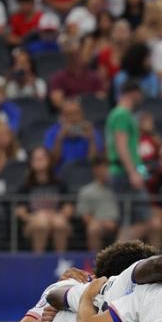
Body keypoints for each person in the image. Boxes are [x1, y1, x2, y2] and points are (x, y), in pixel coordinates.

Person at [107, 80, 149, 237]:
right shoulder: (122, 114)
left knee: (129, 222)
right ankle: (116, 256)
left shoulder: (123, 114)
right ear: (134, 93)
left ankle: (118, 256)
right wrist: (132, 172)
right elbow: (121, 144)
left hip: (124, 171)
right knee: (145, 221)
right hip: (124, 172)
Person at [17, 146, 72, 253]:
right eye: (36, 158)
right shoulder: (25, 186)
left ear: (49, 160)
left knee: (59, 223)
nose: (39, 161)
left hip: (56, 219)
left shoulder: (60, 184)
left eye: (42, 158)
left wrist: (55, 216)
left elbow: (68, 208)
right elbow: (20, 212)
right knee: (42, 222)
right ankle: (38, 261)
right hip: (33, 223)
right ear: (31, 162)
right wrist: (36, 216)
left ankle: (60, 260)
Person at [75, 155, 119, 250]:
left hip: (121, 224)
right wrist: (104, 223)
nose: (106, 170)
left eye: (108, 167)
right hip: (100, 225)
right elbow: (85, 216)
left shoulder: (119, 188)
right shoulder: (86, 191)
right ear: (95, 169)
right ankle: (95, 260)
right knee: (93, 229)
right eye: (103, 167)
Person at [48, 38, 107, 109]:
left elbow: (101, 97)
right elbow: (57, 101)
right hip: (68, 115)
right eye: (73, 55)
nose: (76, 58)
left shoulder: (94, 76)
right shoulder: (58, 77)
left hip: (91, 112)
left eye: (79, 54)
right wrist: (74, 107)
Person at [44, 99, 97, 169]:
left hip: (85, 172)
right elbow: (52, 163)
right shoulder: (52, 132)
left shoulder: (89, 130)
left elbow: (94, 162)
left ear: (82, 114)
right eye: (69, 114)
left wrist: (91, 140)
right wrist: (59, 139)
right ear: (62, 116)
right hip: (62, 174)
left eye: (77, 113)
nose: (74, 118)